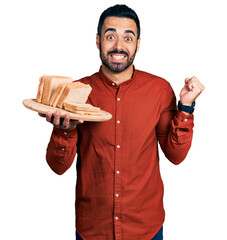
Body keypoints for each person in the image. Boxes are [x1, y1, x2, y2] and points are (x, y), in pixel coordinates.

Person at [39, 4, 205, 240]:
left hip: (146, 228)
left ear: (138, 43)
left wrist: (186, 106)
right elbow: (57, 167)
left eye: (128, 38)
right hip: (93, 229)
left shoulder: (159, 90)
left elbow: (175, 156)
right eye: (110, 36)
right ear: (98, 41)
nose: (119, 46)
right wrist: (63, 131)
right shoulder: (76, 92)